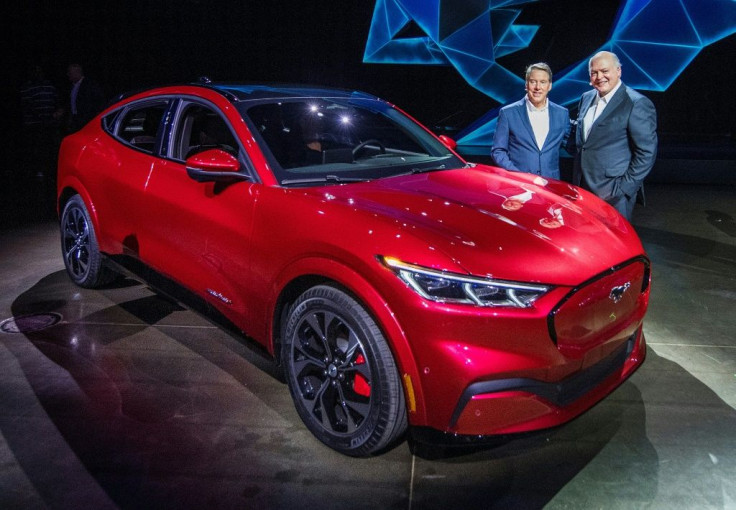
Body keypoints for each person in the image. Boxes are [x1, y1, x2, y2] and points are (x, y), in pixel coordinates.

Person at [569, 51, 657, 221]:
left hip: (613, 194)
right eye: (594, 73)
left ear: (618, 71)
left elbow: (647, 153)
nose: (599, 76)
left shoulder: (636, 103)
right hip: (582, 188)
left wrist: (623, 189)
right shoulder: (586, 98)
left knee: (612, 245)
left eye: (604, 71)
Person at [491, 62, 571, 180]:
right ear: (526, 85)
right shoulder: (508, 113)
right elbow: (498, 151)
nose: (538, 87)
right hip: (519, 185)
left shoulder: (562, 114)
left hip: (551, 185)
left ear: (549, 86)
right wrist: (519, 175)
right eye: (533, 81)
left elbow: (571, 145)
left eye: (543, 82)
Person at [19, 64, 59, 178]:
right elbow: (27, 105)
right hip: (34, 124)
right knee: (35, 147)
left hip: (48, 123)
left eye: (40, 71)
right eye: (36, 71)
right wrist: (40, 117)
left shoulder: (49, 86)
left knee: (48, 147)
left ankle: (49, 171)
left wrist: (54, 116)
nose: (38, 73)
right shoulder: (27, 87)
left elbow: (56, 102)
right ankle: (37, 171)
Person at [56, 63, 106, 133]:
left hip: (87, 120)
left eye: (70, 72)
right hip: (75, 120)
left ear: (77, 72)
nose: (68, 74)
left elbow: (99, 101)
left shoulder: (89, 84)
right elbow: (70, 102)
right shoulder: (71, 87)